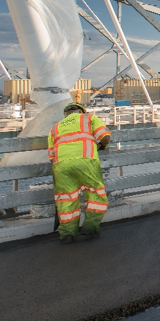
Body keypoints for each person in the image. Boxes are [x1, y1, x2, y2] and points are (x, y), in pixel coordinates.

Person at [48, 102, 112, 244]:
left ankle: (67, 234)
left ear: (66, 115)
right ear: (81, 111)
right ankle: (89, 228)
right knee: (96, 195)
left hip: (61, 165)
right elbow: (105, 137)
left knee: (66, 200)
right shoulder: (88, 118)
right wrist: (101, 147)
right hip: (86, 160)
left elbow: (51, 156)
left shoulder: (55, 128)